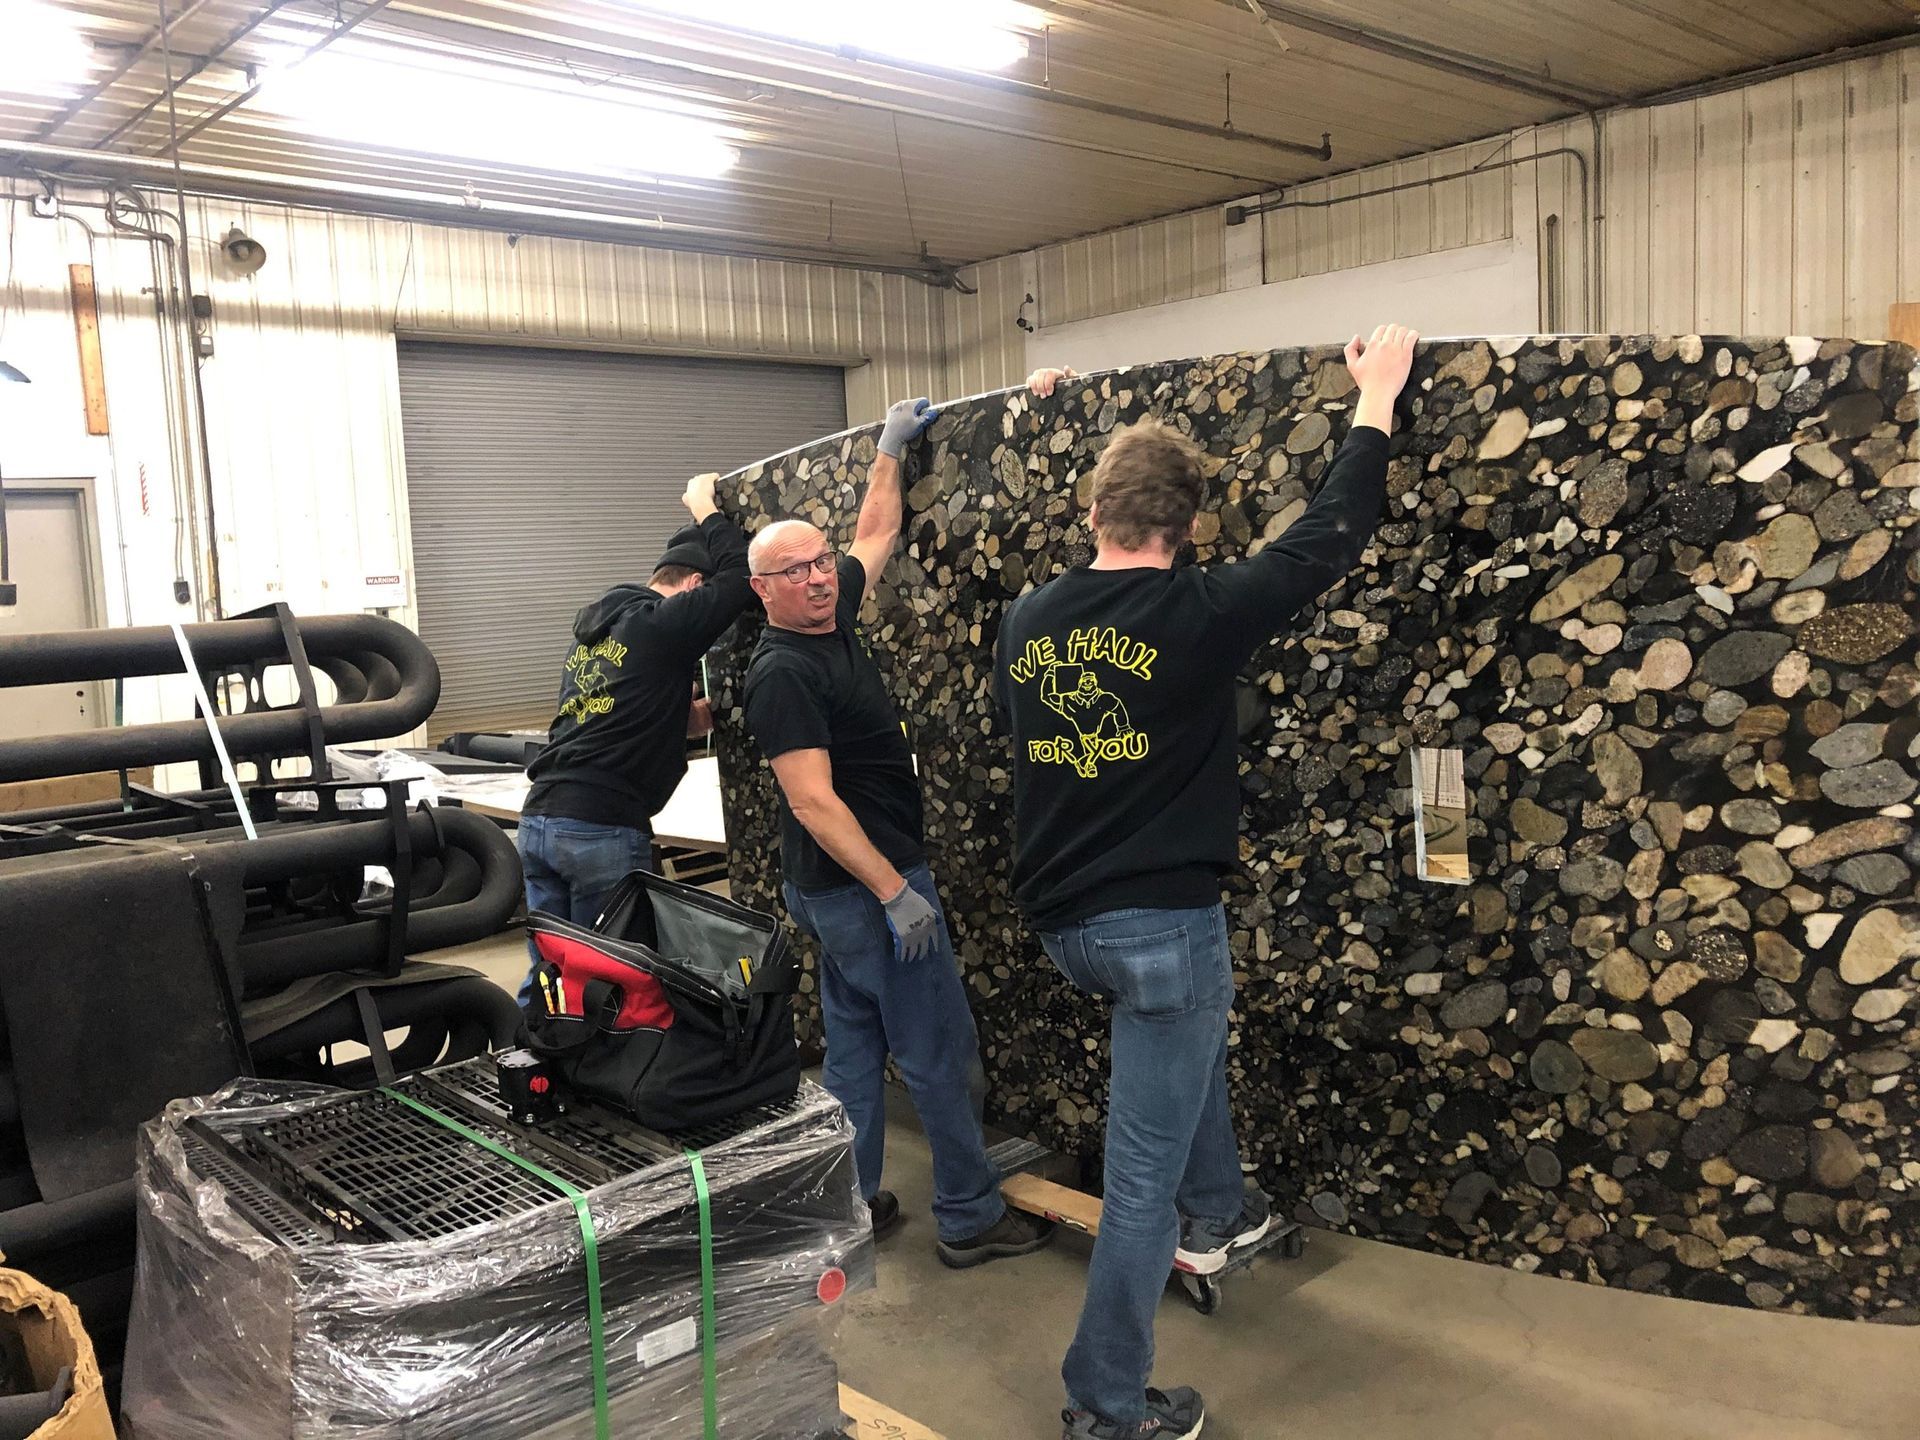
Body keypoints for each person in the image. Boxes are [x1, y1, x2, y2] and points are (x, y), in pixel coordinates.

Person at [997, 326, 1419, 1440]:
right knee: (1140, 1183)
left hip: (1064, 924)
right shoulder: (1203, 609)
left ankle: (1223, 1211)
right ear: (1189, 531)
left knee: (1182, 1055)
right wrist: (1376, 400)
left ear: (1093, 512)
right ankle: (1107, 1404)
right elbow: (1328, 533)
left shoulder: (1026, 621)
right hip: (1160, 930)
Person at [742, 395, 1053, 1266]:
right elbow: (812, 800)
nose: (817, 578)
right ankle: (968, 1216)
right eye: (794, 572)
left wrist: (890, 451)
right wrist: (893, 893)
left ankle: (850, 1204)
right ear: (761, 589)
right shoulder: (783, 673)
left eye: (819, 562)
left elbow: (874, 534)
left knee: (853, 1050)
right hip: (865, 887)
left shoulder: (830, 613)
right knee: (938, 1050)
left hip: (835, 891)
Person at [516, 472, 754, 998]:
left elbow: (608, 714)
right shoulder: (663, 622)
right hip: (599, 828)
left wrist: (685, 719)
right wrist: (704, 507)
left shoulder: (599, 633)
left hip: (540, 821)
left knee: (553, 980)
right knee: (608, 983)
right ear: (693, 586)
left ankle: (531, 1049)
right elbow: (741, 577)